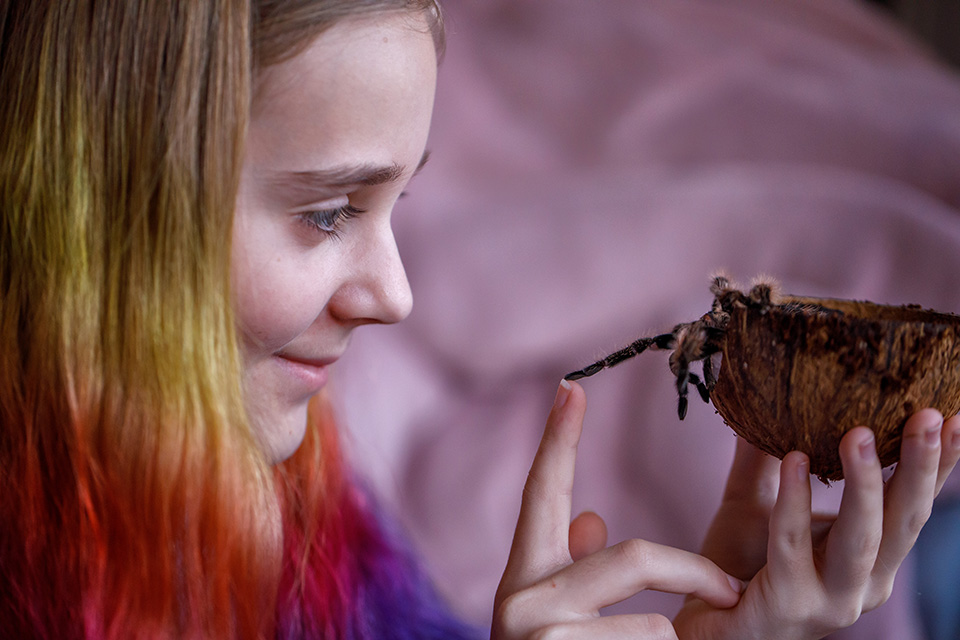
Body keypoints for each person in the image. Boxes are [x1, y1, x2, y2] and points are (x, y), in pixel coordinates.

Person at [1, 2, 957, 639]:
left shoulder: (297, 514)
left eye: (398, 204)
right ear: (110, 196)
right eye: (328, 214)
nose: (396, 296)